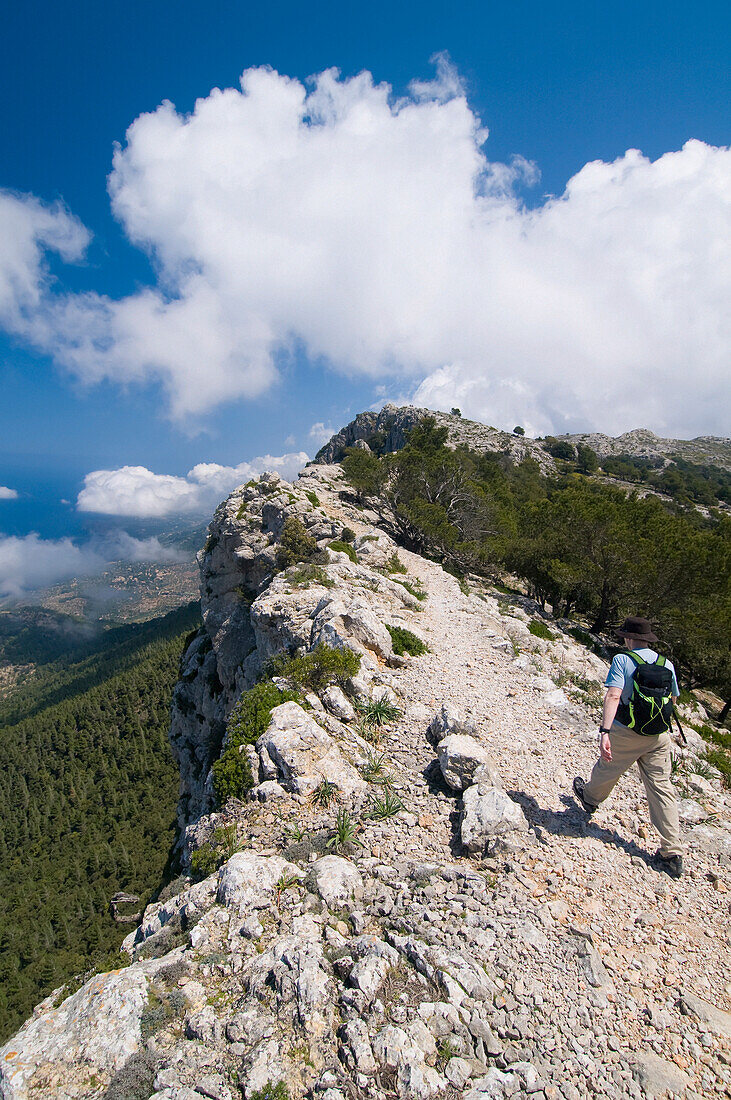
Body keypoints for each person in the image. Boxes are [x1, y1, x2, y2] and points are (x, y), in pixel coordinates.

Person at [573, 616, 683, 879]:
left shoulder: (623, 660)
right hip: (659, 735)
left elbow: (613, 695)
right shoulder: (665, 663)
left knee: (608, 767)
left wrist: (605, 731)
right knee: (661, 788)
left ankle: (590, 799)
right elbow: (674, 698)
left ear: (629, 638)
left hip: (627, 730)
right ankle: (672, 852)